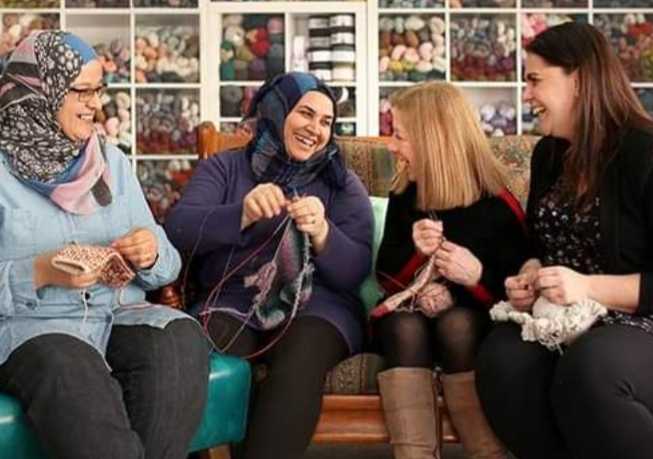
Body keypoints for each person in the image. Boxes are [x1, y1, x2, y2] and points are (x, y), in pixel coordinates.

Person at [0, 31, 210, 459]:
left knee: (179, 339)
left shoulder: (111, 161)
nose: (95, 104)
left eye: (99, 90)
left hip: (116, 315)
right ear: (38, 90)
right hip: (33, 330)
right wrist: (40, 271)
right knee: (68, 365)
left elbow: (167, 266)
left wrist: (151, 253)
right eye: (81, 90)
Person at [165, 71, 373, 459]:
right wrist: (241, 213)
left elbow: (354, 271)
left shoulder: (342, 183)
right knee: (198, 354)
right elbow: (179, 230)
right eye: (305, 114)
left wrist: (323, 232)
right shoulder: (224, 168)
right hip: (233, 300)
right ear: (276, 111)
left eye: (326, 121)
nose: (315, 129)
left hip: (318, 307)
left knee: (301, 357)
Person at [475, 22, 653, 459]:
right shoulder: (549, 154)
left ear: (580, 79)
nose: (527, 95)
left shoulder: (644, 152)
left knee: (591, 367)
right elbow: (538, 245)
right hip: (565, 317)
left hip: (639, 320)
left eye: (535, 80)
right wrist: (531, 271)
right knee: (503, 359)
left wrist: (587, 287)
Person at [373, 81, 528, 459]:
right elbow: (385, 279)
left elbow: (522, 293)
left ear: (434, 141)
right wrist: (415, 254)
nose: (391, 146)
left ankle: (487, 453)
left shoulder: (497, 203)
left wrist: (474, 278)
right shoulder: (405, 192)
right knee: (403, 326)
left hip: (474, 315)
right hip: (410, 314)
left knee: (456, 324)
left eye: (400, 135)